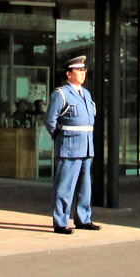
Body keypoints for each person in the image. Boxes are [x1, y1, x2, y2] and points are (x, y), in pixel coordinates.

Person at [44, 55, 101, 235]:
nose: (83, 73)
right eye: (79, 70)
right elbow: (50, 121)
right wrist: (61, 139)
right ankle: (61, 222)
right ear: (69, 74)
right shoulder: (61, 94)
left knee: (86, 187)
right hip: (69, 146)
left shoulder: (86, 94)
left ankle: (83, 218)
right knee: (65, 186)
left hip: (86, 146)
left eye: (84, 70)